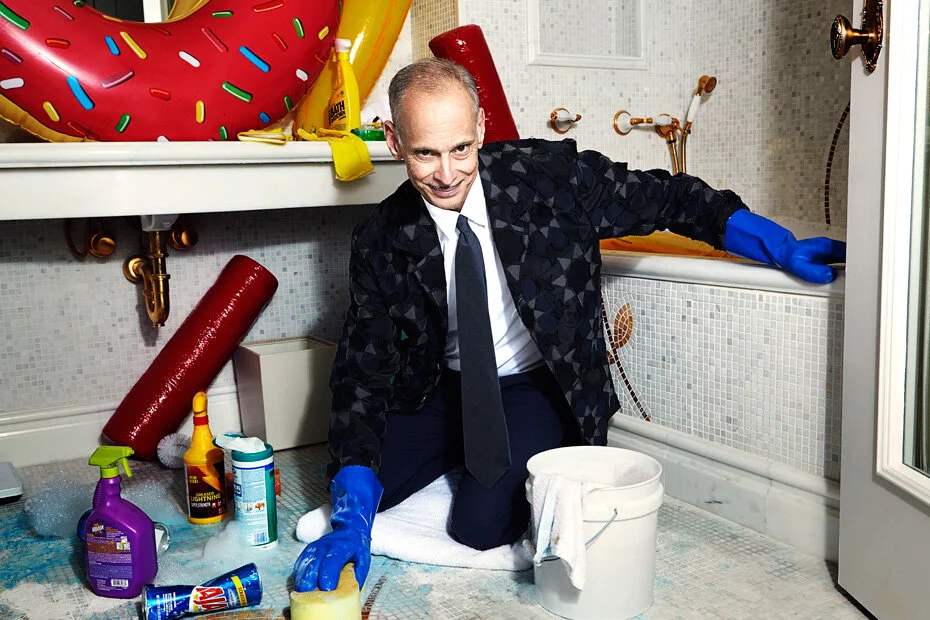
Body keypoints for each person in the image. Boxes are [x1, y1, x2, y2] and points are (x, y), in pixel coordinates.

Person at [293, 58, 846, 592]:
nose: (446, 173)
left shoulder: (547, 178)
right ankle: (456, 448)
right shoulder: (381, 238)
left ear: (481, 127)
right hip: (441, 387)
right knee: (357, 481)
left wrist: (777, 244)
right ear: (394, 142)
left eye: (460, 148)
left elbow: (670, 199)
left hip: (536, 384)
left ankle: (511, 448)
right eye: (425, 153)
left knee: (479, 528)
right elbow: (362, 371)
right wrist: (350, 519)